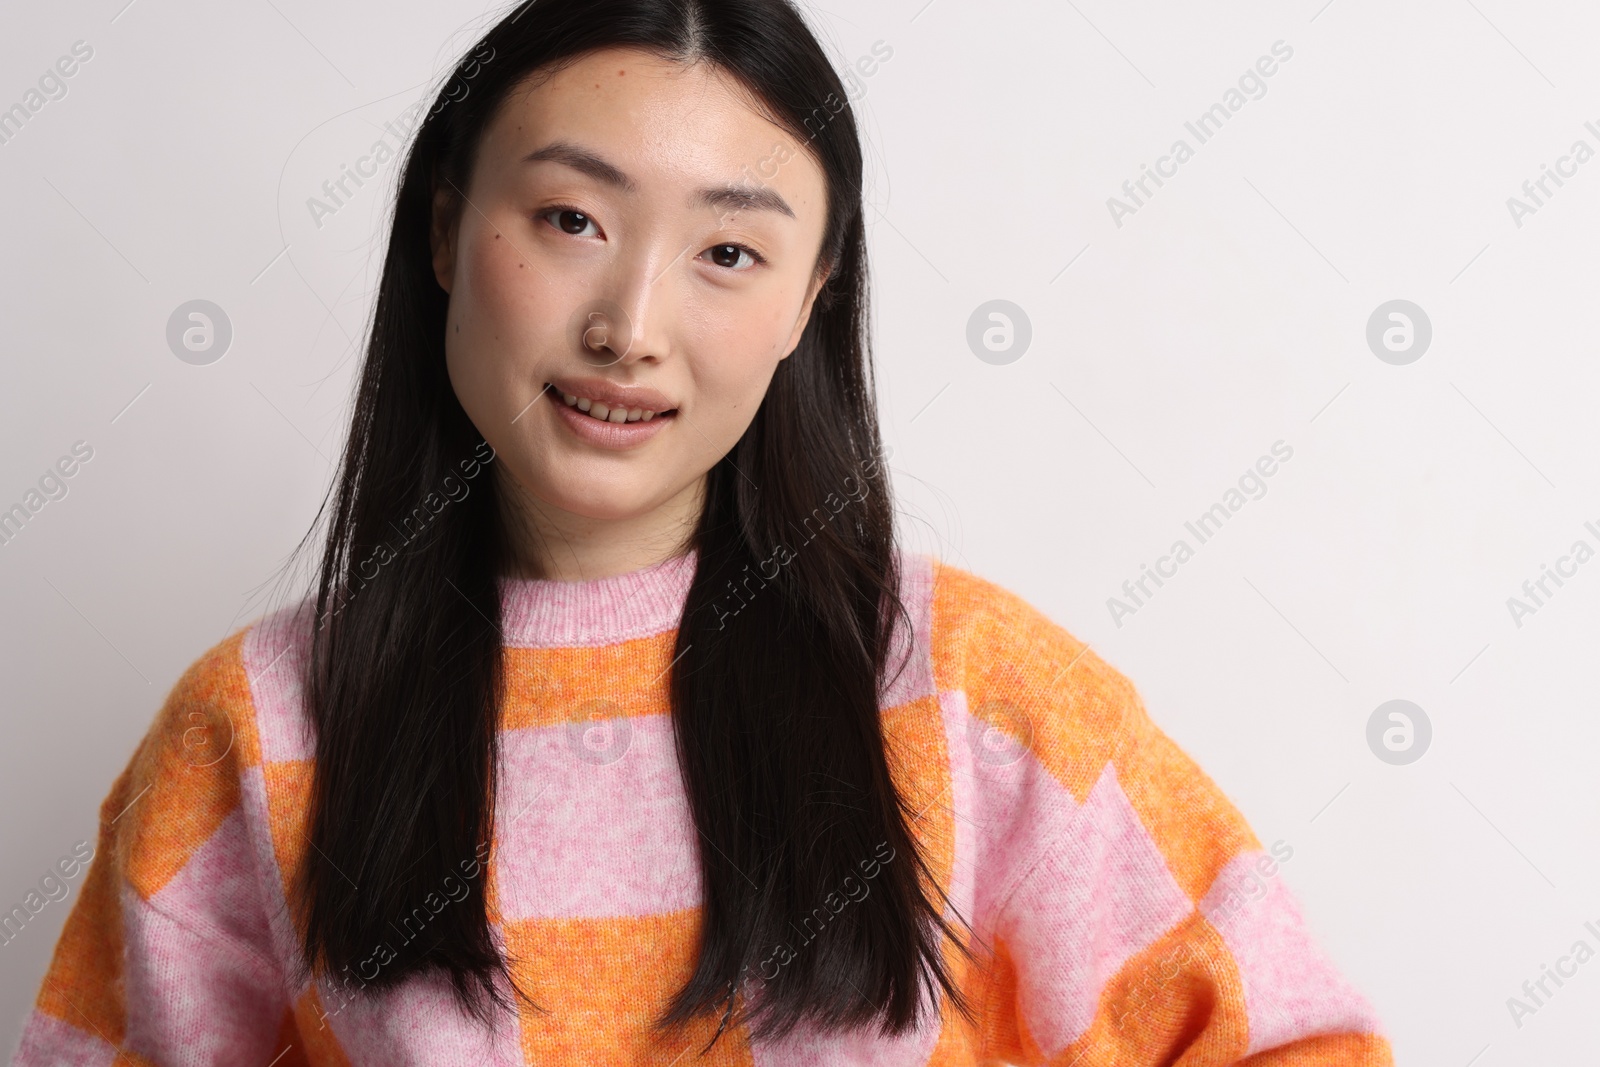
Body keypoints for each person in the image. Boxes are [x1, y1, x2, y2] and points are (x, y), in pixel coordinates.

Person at [11, 0, 1394, 1062]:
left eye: (728, 251)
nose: (631, 325)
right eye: (569, 218)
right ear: (445, 232)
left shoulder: (975, 695)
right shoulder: (251, 733)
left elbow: (1298, 1043)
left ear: (810, 298)